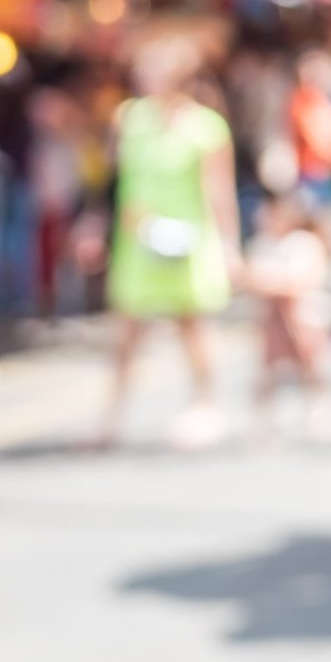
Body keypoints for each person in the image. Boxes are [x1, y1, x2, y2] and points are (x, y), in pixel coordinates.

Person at [99, 37, 242, 450]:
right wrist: (96, 223)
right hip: (137, 243)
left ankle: (205, 404)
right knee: (126, 332)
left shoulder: (206, 127)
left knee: (192, 328)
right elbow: (113, 180)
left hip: (187, 241)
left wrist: (229, 245)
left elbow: (219, 191)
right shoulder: (130, 118)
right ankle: (112, 416)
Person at [243, 188, 331, 442]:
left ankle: (321, 407)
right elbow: (251, 277)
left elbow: (300, 281)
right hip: (274, 319)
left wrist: (271, 282)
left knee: (311, 366)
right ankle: (264, 418)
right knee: (268, 369)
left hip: (305, 319)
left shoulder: (305, 243)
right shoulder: (263, 244)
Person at [289, 48, 331, 211]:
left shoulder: (320, 101)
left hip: (324, 174)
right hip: (312, 175)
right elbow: (322, 142)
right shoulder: (305, 102)